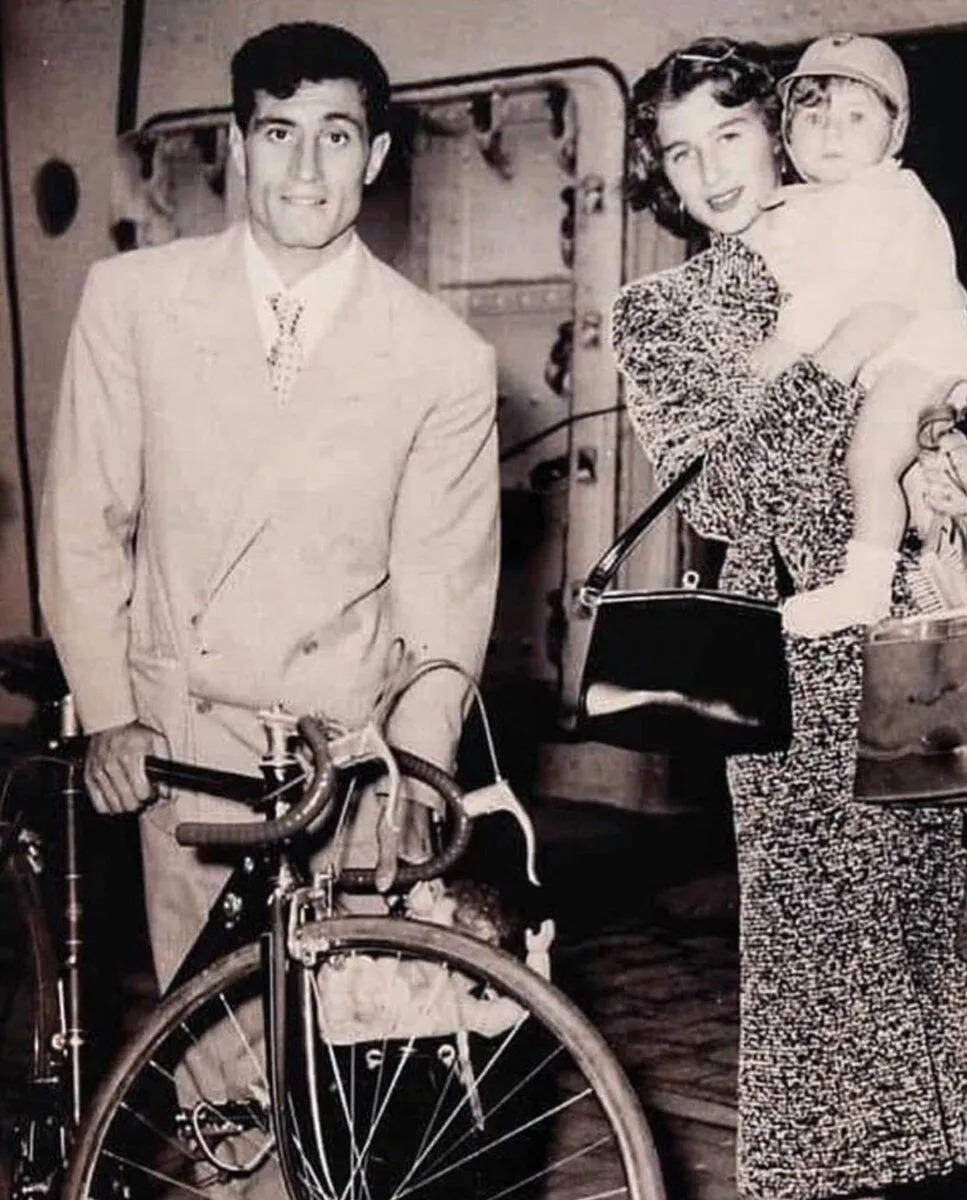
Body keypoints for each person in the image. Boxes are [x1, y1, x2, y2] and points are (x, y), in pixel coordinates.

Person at [39, 21, 499, 995]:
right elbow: (87, 522)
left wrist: (422, 769)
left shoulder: (442, 357)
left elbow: (443, 589)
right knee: (216, 1043)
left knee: (350, 1044)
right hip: (185, 745)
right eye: (279, 133)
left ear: (375, 154)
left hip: (350, 758)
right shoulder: (134, 302)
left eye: (336, 136)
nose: (306, 168)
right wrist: (110, 714)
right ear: (238, 146)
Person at [613, 36, 967, 1200]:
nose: (711, 171)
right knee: (823, 960)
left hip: (921, 624)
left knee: (934, 923)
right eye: (679, 153)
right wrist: (848, 347)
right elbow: (720, 495)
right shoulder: (666, 310)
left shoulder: (880, 224)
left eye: (729, 134)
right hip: (801, 655)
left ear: (778, 129)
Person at [739, 33, 967, 635]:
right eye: (814, 117)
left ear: (895, 131)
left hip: (929, 349)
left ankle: (864, 589)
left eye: (855, 117)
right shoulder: (812, 204)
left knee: (869, 460)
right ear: (788, 132)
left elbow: (839, 290)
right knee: (915, 489)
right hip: (905, 358)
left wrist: (786, 345)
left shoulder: (885, 197)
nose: (832, 133)